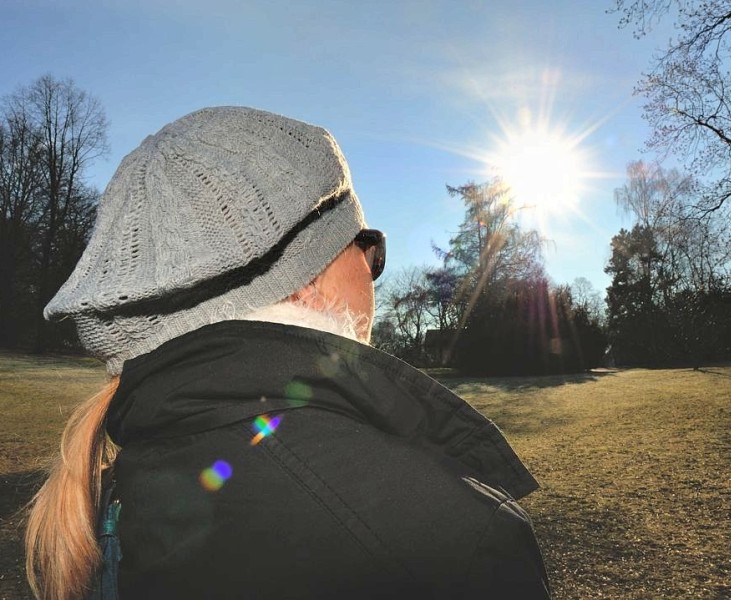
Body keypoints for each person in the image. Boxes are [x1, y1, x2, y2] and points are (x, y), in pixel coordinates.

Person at [25, 106, 551, 599]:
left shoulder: (103, 498)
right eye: (366, 247)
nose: (372, 272)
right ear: (306, 281)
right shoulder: (449, 542)